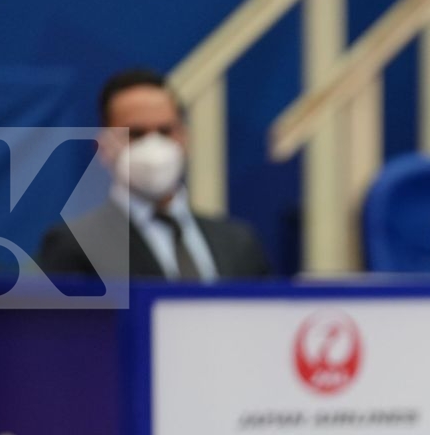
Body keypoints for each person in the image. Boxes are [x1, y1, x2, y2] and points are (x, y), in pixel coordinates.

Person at [37, 68, 272, 281]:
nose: (154, 145)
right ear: (104, 147)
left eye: (165, 131)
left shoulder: (238, 242)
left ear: (184, 137)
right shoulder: (76, 245)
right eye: (136, 134)